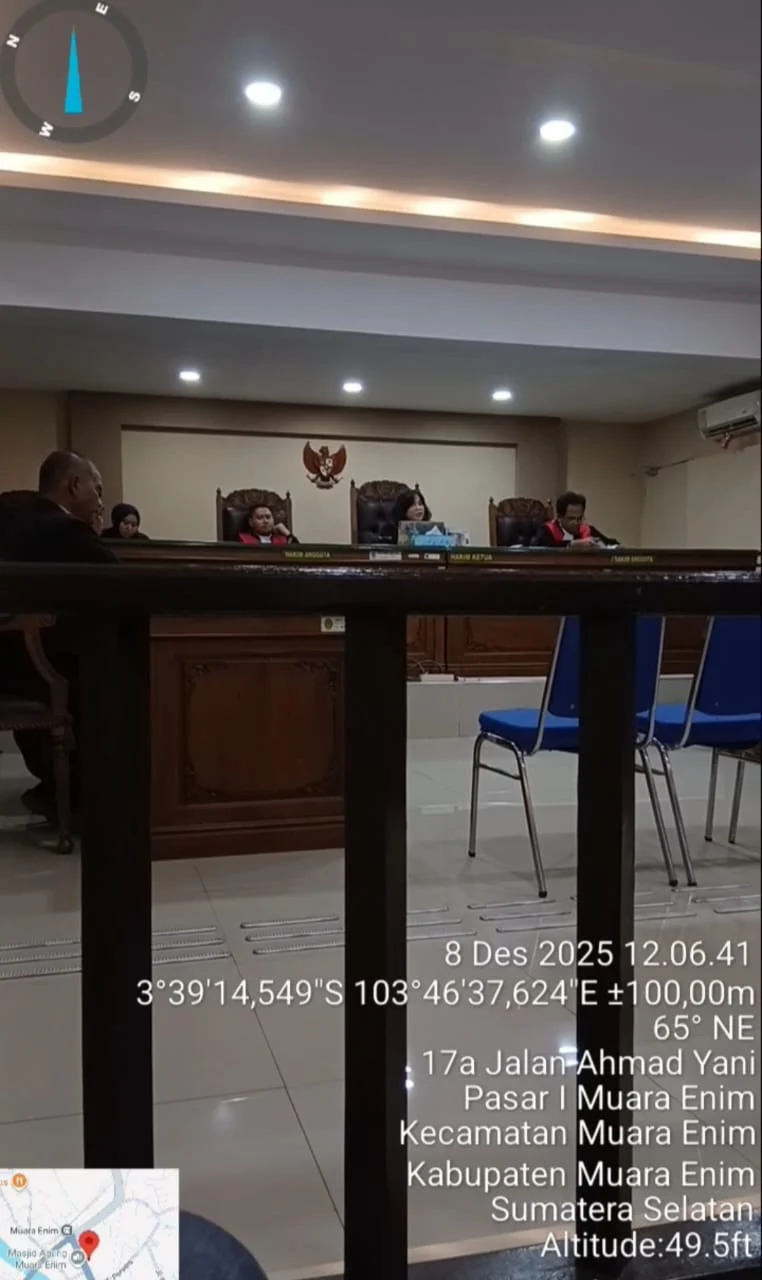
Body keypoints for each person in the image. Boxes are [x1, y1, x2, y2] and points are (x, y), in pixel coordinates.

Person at [0, 451, 115, 826]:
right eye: (98, 489)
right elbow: (117, 582)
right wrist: (93, 534)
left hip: (9, 662)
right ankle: (92, 795)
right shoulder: (64, 530)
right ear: (74, 485)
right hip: (40, 669)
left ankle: (55, 786)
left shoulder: (11, 517)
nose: (100, 501)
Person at [531, 491, 617, 549]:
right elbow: (540, 549)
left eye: (579, 518)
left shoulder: (587, 530)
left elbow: (612, 544)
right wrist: (570, 545)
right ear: (560, 517)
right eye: (571, 518)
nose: (576, 523)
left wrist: (604, 546)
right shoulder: (547, 530)